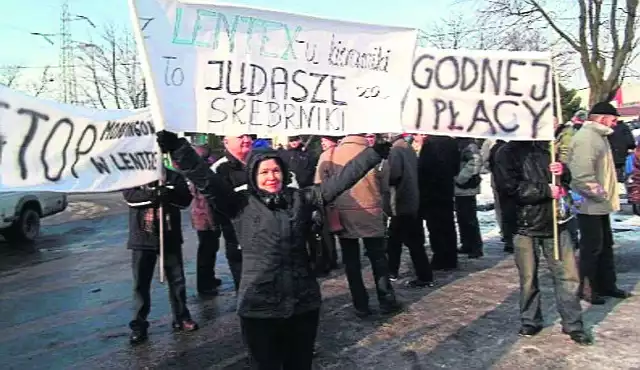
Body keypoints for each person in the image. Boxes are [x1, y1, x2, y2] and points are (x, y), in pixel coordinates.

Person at [156, 130, 392, 370]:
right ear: (253, 176)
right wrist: (179, 149)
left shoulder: (301, 198)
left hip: (302, 302)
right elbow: (206, 179)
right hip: (260, 306)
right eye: (265, 172)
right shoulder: (240, 204)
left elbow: (341, 181)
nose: (272, 177)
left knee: (300, 363)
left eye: (276, 170)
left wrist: (373, 154)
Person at [493, 140, 593, 345]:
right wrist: (545, 191)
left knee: (568, 275)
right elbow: (509, 187)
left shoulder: (545, 147)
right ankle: (530, 319)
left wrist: (562, 171)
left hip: (556, 222)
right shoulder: (506, 152)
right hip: (524, 224)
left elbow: (564, 181)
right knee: (529, 277)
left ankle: (573, 323)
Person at [326, 134, 402, 318]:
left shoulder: (329, 155)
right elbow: (385, 187)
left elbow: (321, 188)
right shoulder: (377, 154)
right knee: (378, 259)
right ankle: (386, 299)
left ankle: (360, 304)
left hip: (342, 214)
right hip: (372, 212)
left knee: (351, 262)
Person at [123, 165, 197, 345]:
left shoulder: (173, 177)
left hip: (169, 237)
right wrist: (153, 195)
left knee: (177, 280)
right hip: (143, 239)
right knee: (141, 283)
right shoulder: (134, 176)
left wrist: (169, 195)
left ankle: (181, 317)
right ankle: (139, 325)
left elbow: (185, 200)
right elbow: (131, 199)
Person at [568, 102, 632, 304]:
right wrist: (598, 195)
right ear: (602, 118)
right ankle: (588, 288)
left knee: (604, 245)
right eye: (613, 119)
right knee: (592, 248)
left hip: (599, 203)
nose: (616, 123)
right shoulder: (587, 139)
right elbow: (582, 175)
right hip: (590, 204)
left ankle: (606, 285)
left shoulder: (598, 136)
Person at [385, 135, 434, 287]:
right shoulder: (407, 148)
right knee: (396, 238)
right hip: (410, 199)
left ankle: (424, 275)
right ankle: (392, 270)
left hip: (401, 201)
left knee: (411, 241)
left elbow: (394, 175)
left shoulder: (396, 150)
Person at [210, 134, 254, 291]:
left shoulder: (260, 161)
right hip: (238, 234)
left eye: (249, 136)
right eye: (240, 136)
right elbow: (218, 205)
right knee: (245, 283)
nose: (247, 140)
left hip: (267, 234)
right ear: (226, 141)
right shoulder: (219, 169)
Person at [418, 135, 460, 270]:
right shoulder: (451, 142)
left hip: (431, 191)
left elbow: (423, 168)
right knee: (448, 224)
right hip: (446, 189)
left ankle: (440, 257)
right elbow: (456, 167)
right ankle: (451, 258)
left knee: (435, 226)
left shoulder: (430, 143)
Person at [189, 145, 222, 296]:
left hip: (205, 217)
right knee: (206, 251)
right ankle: (204, 284)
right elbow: (204, 202)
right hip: (205, 218)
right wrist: (214, 223)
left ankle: (209, 277)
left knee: (211, 249)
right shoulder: (199, 175)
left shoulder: (199, 172)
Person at [454, 137, 484, 258]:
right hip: (461, 188)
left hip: (466, 187)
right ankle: (467, 243)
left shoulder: (469, 146)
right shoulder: (461, 143)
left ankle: (475, 246)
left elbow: (475, 162)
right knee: (462, 217)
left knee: (469, 218)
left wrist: (460, 179)